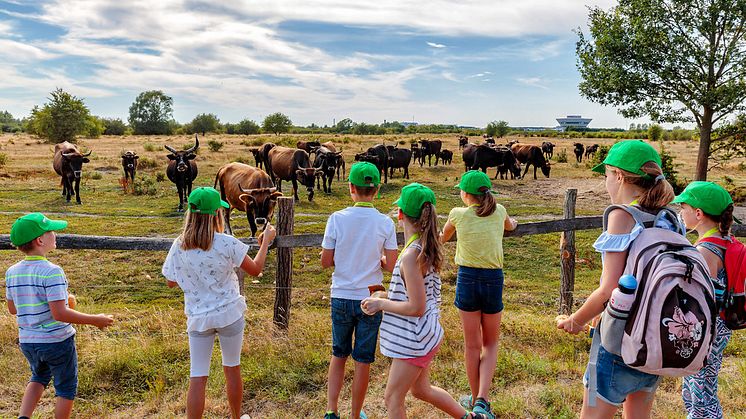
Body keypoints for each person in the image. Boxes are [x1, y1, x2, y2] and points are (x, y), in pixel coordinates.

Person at [556, 140, 678, 418]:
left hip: (618, 341)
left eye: (607, 175)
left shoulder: (623, 216)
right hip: (655, 338)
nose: (606, 183)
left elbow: (609, 288)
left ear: (619, 176)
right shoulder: (670, 216)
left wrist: (575, 321)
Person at [362, 183, 490, 419]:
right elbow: (415, 296)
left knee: (392, 398)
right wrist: (385, 296)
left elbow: (416, 307)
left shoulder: (411, 256)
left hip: (415, 338)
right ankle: (470, 417)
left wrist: (381, 304)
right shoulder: (423, 247)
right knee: (421, 390)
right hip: (425, 334)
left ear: (400, 215)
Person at [162, 187, 276, 419]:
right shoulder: (226, 243)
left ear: (191, 214)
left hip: (198, 317)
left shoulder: (179, 245)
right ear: (217, 214)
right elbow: (255, 270)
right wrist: (265, 243)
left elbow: (170, 282)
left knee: (198, 375)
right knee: (232, 368)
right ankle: (236, 417)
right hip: (229, 313)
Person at [5, 213, 114, 419]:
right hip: (56, 340)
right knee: (65, 387)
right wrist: (95, 320)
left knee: (38, 376)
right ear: (40, 240)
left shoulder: (12, 271)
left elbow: (13, 308)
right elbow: (60, 313)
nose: (55, 234)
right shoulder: (52, 271)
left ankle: (23, 417)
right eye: (51, 231)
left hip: (28, 341)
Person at [320, 162, 399, 419]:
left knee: (338, 354)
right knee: (362, 359)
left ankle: (331, 410)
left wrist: (343, 258)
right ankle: (355, 414)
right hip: (371, 298)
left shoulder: (336, 218)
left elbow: (325, 261)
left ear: (351, 188)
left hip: (341, 294)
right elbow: (391, 265)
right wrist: (378, 260)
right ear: (376, 190)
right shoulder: (384, 223)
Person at [440, 170, 518, 419]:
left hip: (467, 278)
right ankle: (483, 400)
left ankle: (475, 400)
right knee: (490, 342)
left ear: (465, 194)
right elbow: (511, 226)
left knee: (472, 344)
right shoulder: (500, 211)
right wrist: (513, 224)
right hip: (493, 279)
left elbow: (443, 237)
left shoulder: (457, 214)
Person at [673, 181, 736, 419]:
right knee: (698, 384)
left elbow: (700, 298)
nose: (681, 213)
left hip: (707, 331)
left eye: (684, 208)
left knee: (701, 391)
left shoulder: (705, 251)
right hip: (721, 327)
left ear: (698, 214)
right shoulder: (725, 241)